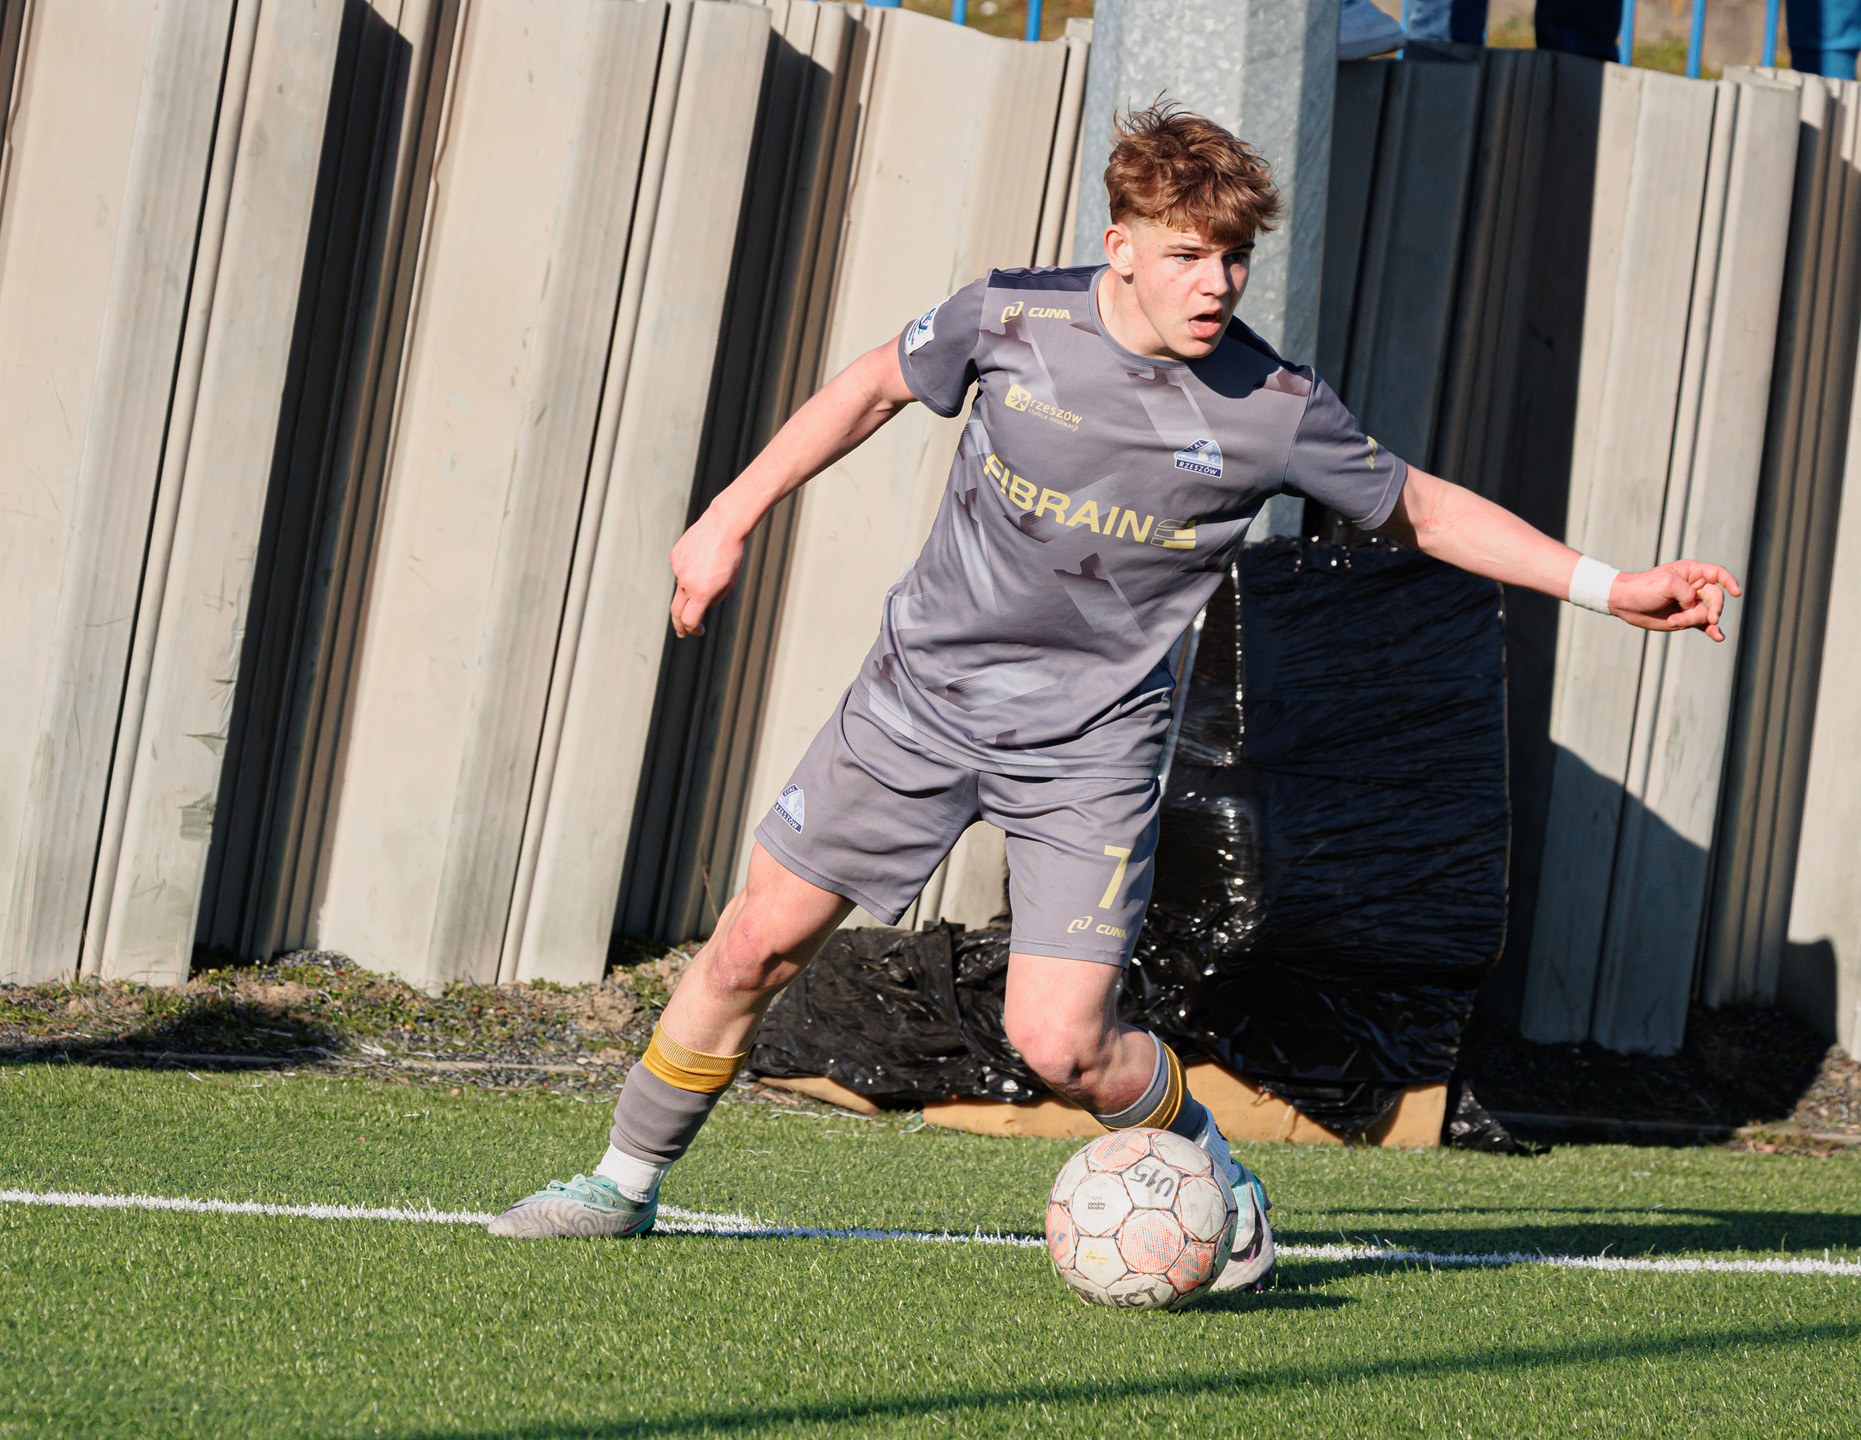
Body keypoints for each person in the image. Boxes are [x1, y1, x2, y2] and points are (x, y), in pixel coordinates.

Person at [488, 104, 1738, 1285]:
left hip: (1088, 752)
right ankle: (620, 1182)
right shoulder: (1008, 319)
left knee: (1061, 1045)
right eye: (1188, 254)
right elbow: (867, 385)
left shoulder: (1272, 409)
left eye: (1234, 258)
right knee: (751, 945)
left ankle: (1208, 1164)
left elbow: (1420, 507)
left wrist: (1607, 584)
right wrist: (725, 518)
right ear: (1120, 245)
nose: (1216, 284)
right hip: (917, 700)